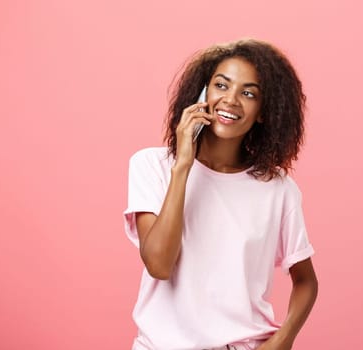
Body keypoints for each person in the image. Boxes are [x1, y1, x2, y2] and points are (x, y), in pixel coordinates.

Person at [122, 39, 318, 350]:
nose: (231, 100)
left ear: (264, 112)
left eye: (248, 93)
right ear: (202, 93)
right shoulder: (152, 166)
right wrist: (183, 166)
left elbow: (306, 281)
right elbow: (158, 264)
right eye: (221, 86)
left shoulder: (278, 189)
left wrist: (283, 340)